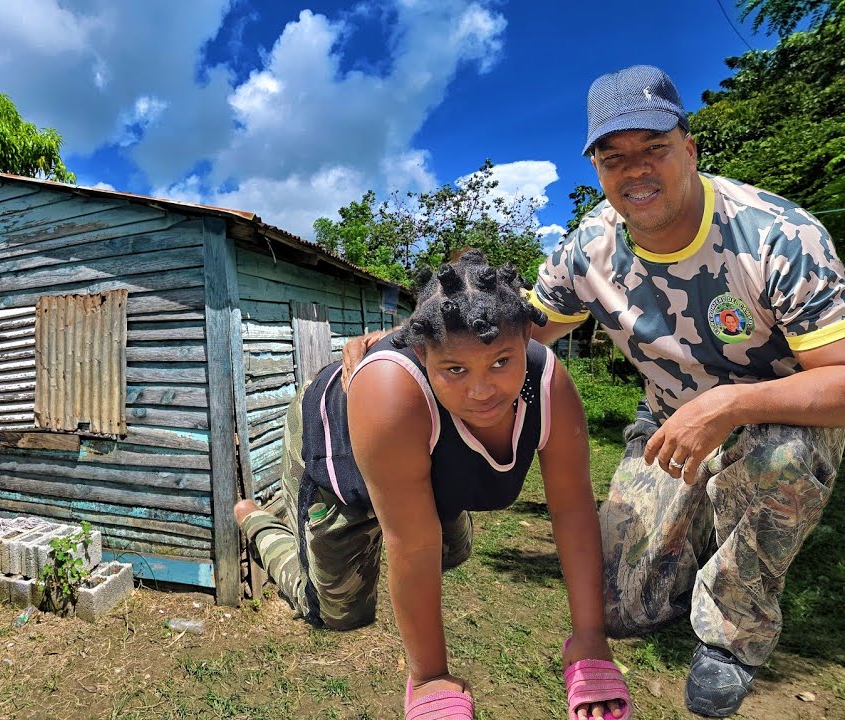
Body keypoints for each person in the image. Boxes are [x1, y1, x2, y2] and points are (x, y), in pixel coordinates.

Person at [345, 65, 845, 718]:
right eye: (615, 159)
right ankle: (701, 526)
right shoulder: (590, 248)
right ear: (598, 170)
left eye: (654, 149)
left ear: (690, 149)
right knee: (616, 606)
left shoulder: (779, 237)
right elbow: (515, 328)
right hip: (666, 428)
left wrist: (728, 405)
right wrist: (411, 338)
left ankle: (735, 629)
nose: (635, 171)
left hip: (774, 423)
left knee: (782, 462)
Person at [236, 251, 631, 719]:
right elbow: (413, 541)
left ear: (527, 339)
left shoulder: (547, 383)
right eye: (455, 370)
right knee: (335, 612)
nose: (482, 391)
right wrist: (429, 678)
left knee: (452, 550)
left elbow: (572, 510)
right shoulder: (390, 388)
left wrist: (589, 638)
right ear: (421, 354)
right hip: (336, 457)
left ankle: (417, 487)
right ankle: (258, 519)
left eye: (501, 361)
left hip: (412, 456)